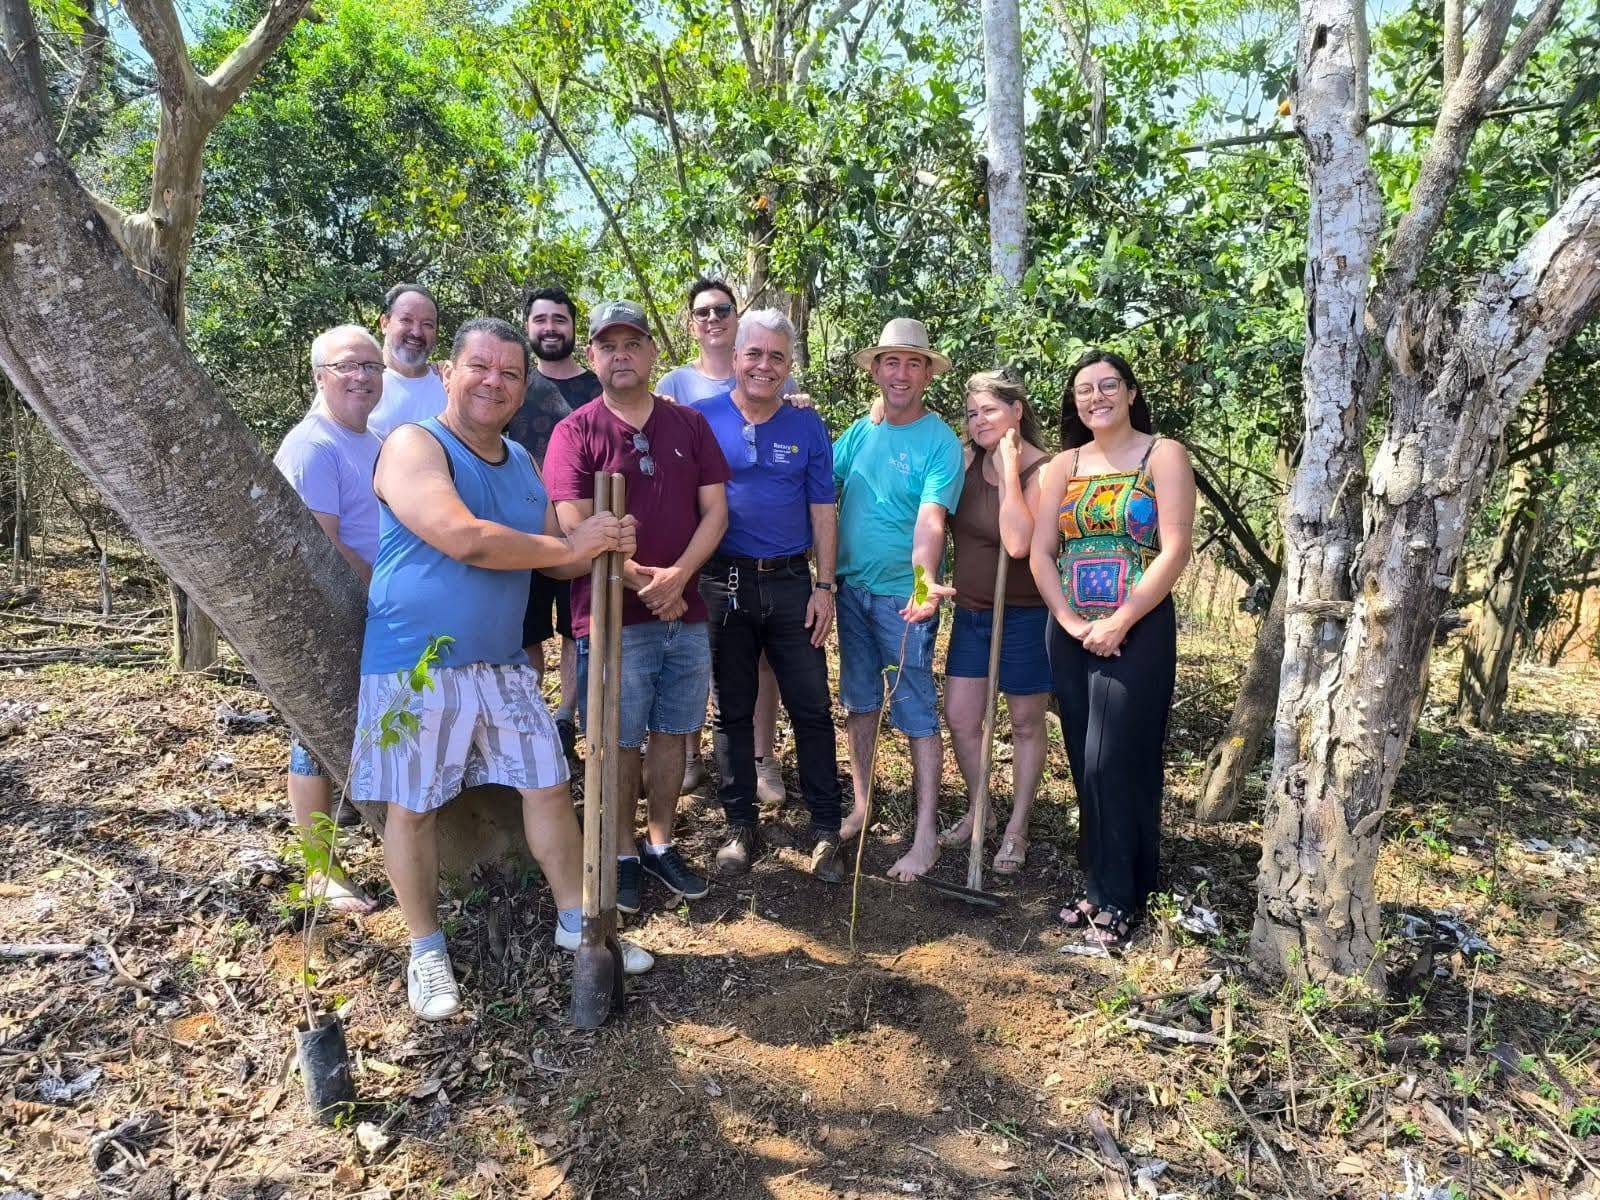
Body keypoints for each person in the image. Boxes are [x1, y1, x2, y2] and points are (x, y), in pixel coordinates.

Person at [352, 317, 650, 1022]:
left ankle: (577, 922)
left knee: (548, 788)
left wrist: (611, 544)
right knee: (414, 807)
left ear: (522, 388)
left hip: (503, 663)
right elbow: (465, 539)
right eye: (480, 368)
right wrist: (573, 541)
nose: (495, 382)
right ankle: (425, 950)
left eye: (510, 373)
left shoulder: (519, 461)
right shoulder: (414, 445)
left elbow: (558, 552)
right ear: (449, 373)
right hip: (415, 665)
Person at [544, 300, 731, 915]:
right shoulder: (576, 432)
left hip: (685, 611)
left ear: (653, 353)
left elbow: (716, 512)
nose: (620, 355)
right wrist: (644, 580)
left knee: (674, 731)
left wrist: (680, 577)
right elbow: (574, 527)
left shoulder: (689, 426)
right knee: (618, 740)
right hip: (612, 614)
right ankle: (620, 852)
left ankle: (660, 843)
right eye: (608, 346)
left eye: (632, 344)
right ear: (592, 356)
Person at [1029, 349, 1195, 950]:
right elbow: (1041, 551)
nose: (1095, 397)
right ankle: (1109, 882)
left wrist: (1121, 619)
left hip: (1139, 626)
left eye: (1107, 386)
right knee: (1083, 757)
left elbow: (1174, 548)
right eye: (1083, 390)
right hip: (1072, 630)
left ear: (1129, 392)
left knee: (1117, 756)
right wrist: (1071, 620)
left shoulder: (1163, 454)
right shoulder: (1063, 466)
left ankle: (1119, 896)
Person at [690, 309, 845, 882]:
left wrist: (823, 586)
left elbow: (822, 508)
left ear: (789, 367)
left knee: (810, 705)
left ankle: (826, 830)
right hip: (722, 581)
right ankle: (739, 826)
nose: (763, 365)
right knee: (731, 710)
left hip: (790, 583)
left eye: (777, 357)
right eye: (754, 353)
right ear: (734, 358)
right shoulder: (698, 419)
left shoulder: (806, 424)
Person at [833, 318, 964, 882]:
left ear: (928, 373)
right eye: (892, 362)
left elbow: (932, 520)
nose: (902, 373)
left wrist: (921, 584)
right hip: (849, 590)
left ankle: (925, 833)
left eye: (914, 363)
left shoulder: (940, 441)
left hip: (901, 600)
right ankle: (862, 805)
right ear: (877, 371)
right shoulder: (860, 432)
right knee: (860, 702)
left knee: (913, 708)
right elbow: (820, 484)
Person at [657, 277, 790, 802]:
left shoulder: (765, 375)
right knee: (694, 651)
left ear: (737, 322)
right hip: (692, 546)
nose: (713, 318)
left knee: (762, 661)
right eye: (703, 312)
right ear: (691, 324)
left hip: (756, 551)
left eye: (723, 309)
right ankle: (691, 757)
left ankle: (764, 759)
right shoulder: (674, 384)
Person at [272, 324, 386, 914]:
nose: (362, 377)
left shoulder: (372, 439)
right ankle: (319, 867)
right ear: (320, 375)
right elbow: (320, 542)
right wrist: (381, 588)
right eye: (348, 366)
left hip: (375, 610)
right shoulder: (313, 445)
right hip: (332, 607)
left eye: (371, 366)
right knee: (312, 734)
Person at [938, 371, 1053, 876]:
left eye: (989, 410)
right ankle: (979, 809)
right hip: (972, 613)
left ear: (1017, 411)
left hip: (1027, 616)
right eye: (971, 413)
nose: (978, 420)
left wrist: (1009, 473)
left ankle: (1017, 827)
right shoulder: (964, 462)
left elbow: (1019, 544)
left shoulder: (1046, 471)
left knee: (1026, 723)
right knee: (962, 717)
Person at [505, 285, 603, 759]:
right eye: (541, 319)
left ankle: (566, 718)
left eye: (559, 319)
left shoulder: (596, 387)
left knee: (574, 629)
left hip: (579, 531)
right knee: (526, 631)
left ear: (572, 328)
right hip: (520, 532)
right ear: (528, 327)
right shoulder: (513, 385)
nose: (549, 328)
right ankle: (528, 717)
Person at [368, 283, 446, 438]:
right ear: (384, 323)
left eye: (427, 324)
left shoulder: (448, 384)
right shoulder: (359, 382)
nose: (416, 332)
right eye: (406, 320)